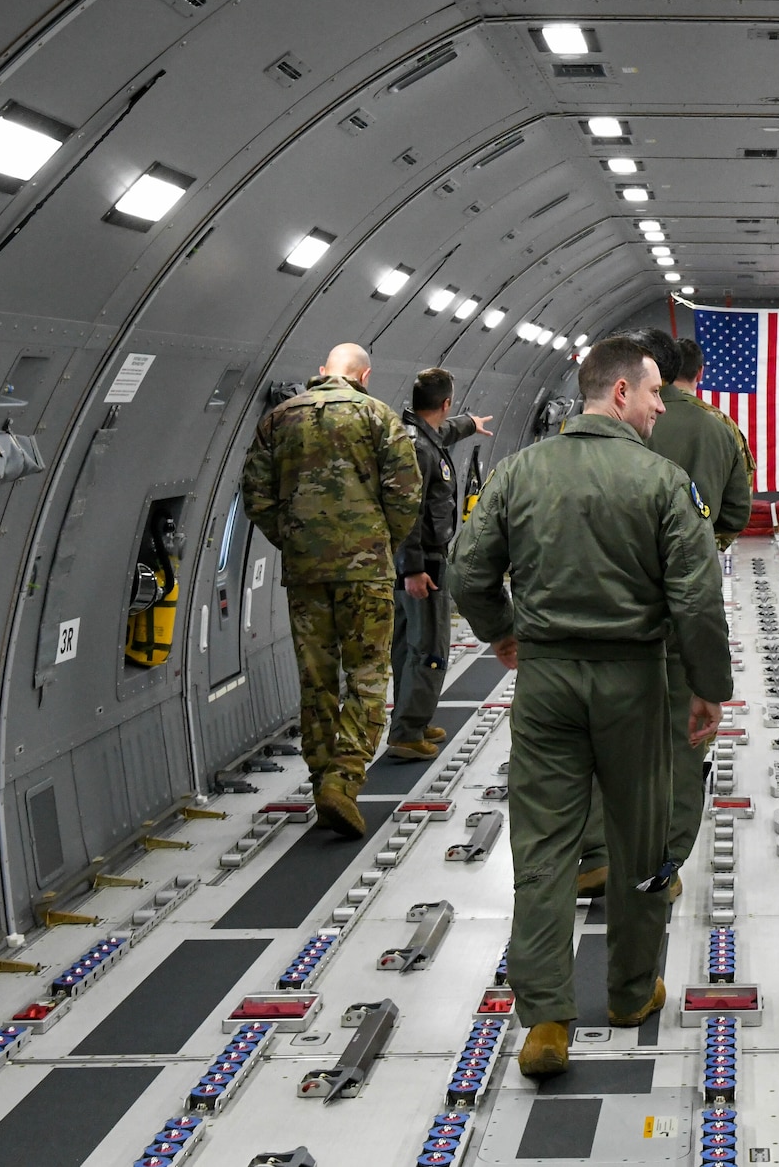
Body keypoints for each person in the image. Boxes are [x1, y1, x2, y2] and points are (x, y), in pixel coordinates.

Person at [448, 336, 733, 1079]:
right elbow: (697, 599)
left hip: (545, 683)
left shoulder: (516, 471)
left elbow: (468, 571)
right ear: (618, 396)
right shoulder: (663, 482)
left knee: (543, 847)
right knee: (642, 848)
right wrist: (708, 687)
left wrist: (503, 633)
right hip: (634, 684)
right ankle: (631, 991)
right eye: (651, 395)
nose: (660, 406)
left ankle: (545, 1015)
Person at [573, 330, 752, 899]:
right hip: (681, 606)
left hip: (604, 602)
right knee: (682, 741)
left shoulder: (587, 437)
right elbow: (738, 512)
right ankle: (663, 863)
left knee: (600, 737)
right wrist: (701, 546)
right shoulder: (720, 429)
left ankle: (597, 853)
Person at [240, 343, 422, 838]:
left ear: (323, 373)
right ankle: (343, 779)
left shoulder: (279, 419)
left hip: (306, 572)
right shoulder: (378, 416)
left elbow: (254, 493)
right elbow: (406, 493)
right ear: (365, 375)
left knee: (316, 678)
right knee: (367, 672)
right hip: (366, 571)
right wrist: (380, 542)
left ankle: (323, 777)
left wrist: (296, 540)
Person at [388, 368, 493, 762]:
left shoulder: (415, 435)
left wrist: (469, 424)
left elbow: (440, 433)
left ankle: (409, 718)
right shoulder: (418, 449)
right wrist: (414, 569)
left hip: (413, 560)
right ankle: (407, 731)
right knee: (428, 646)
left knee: (408, 645)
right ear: (445, 402)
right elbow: (409, 512)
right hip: (422, 562)